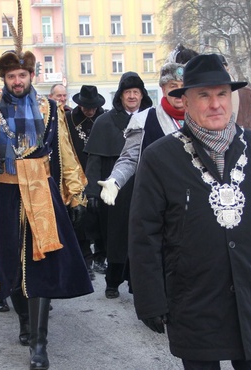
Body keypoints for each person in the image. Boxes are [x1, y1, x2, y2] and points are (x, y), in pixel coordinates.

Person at [129, 54, 251, 370]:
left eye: (222, 94)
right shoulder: (159, 158)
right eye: (204, 95)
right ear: (185, 101)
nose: (216, 104)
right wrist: (151, 300)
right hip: (194, 299)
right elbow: (144, 234)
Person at [0, 3, 92, 366]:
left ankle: (39, 345)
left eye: (23, 75)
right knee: (10, 267)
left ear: (32, 75)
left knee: (41, 266)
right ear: (4, 79)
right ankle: (23, 318)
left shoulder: (52, 109)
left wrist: (76, 194)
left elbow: (65, 153)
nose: (17, 81)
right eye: (11, 77)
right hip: (3, 192)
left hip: (42, 193)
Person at [84, 71, 153, 299]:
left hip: (145, 186)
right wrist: (93, 192)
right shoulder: (105, 122)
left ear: (142, 95)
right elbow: (94, 159)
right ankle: (112, 281)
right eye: (128, 92)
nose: (132, 96)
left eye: (136, 92)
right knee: (115, 235)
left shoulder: (152, 119)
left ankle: (137, 283)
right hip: (115, 188)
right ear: (120, 96)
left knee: (143, 235)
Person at [98, 61, 185, 207]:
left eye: (183, 87)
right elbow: (129, 158)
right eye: (173, 86)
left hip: (193, 199)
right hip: (157, 199)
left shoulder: (200, 118)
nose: (178, 92)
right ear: (163, 89)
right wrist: (115, 180)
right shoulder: (143, 119)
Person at [65, 85, 107, 280]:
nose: (89, 110)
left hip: (101, 174)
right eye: (85, 106)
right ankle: (85, 260)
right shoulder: (68, 120)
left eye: (92, 106)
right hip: (76, 172)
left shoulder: (104, 118)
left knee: (101, 217)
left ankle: (100, 256)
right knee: (80, 220)